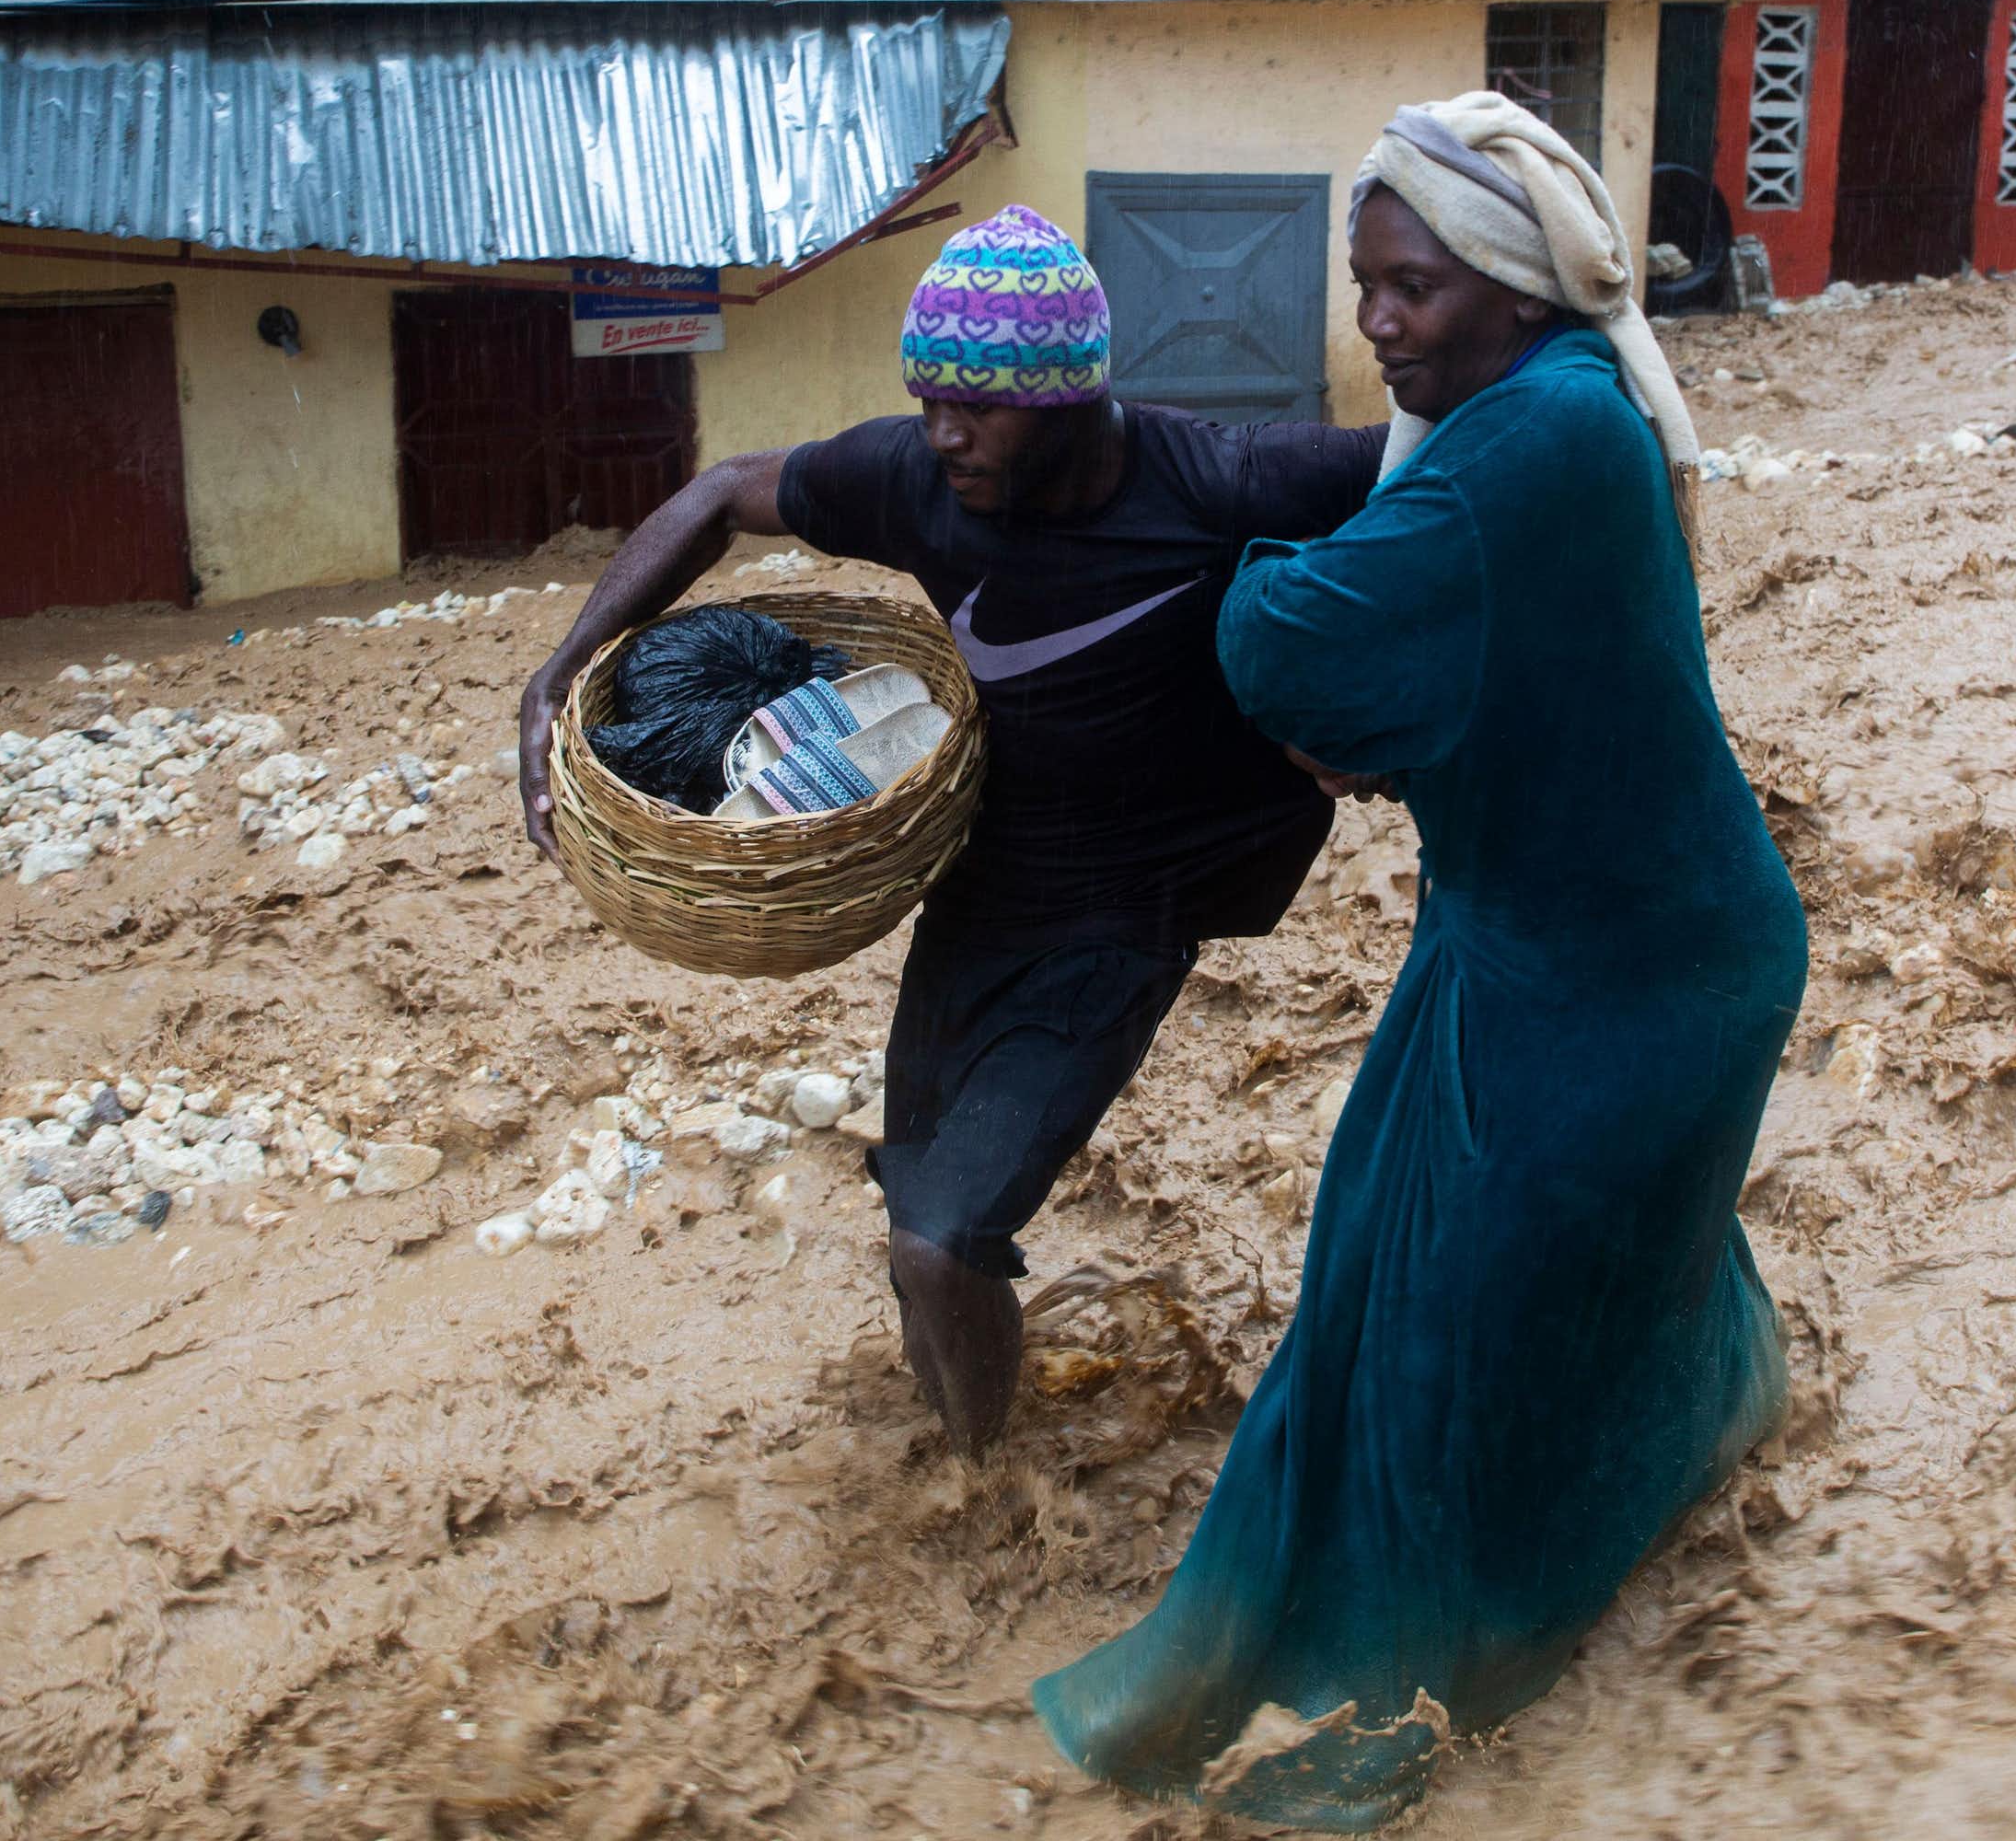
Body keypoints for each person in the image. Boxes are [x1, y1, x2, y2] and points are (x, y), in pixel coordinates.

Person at [1033, 96, 1811, 1831]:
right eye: (1363, 286)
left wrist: (1255, 593)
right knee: (1386, 1276)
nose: (1375, 323)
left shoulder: (1534, 442)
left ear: (1517, 291)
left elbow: (1285, 633)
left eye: (1409, 291)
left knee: (1459, 1337)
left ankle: (1433, 1662)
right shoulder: (1560, 404)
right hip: (1555, 939)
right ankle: (1683, 1427)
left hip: (1642, 981)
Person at [518, 203, 1385, 1457]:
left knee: (939, 1239)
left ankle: (979, 1510)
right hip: (976, 900)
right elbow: (719, 496)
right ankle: (967, 1444)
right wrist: (563, 666)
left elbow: (1446, 466)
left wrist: (1376, 709)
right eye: (927, 399)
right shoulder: (917, 481)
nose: (946, 433)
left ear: (1078, 401)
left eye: (978, 408)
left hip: (1121, 924)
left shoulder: (1222, 480)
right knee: (910, 1221)